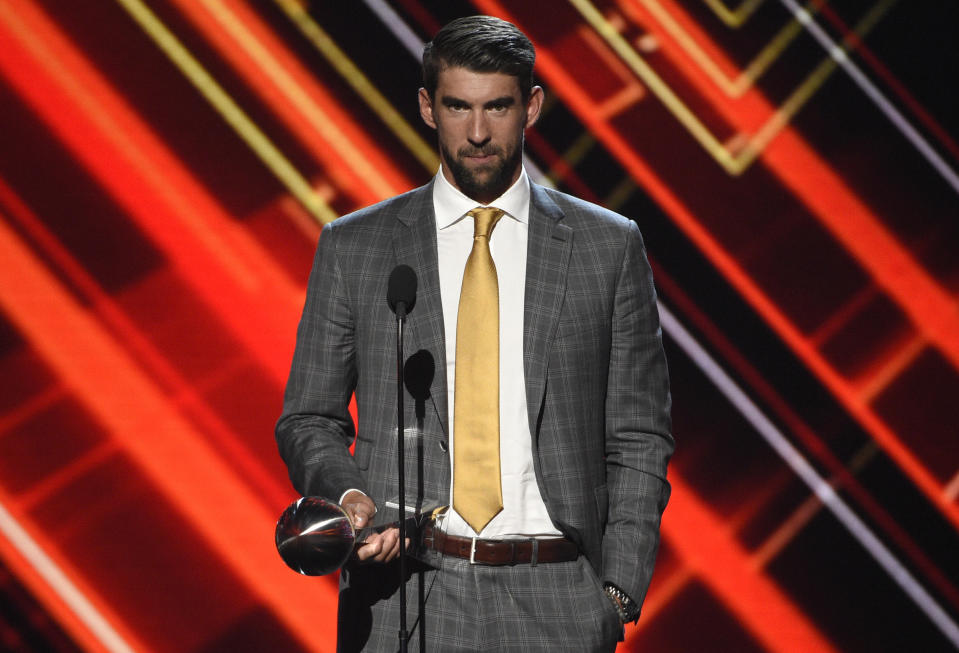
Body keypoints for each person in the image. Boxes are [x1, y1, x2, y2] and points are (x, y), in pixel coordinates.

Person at [276, 15, 673, 652]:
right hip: (406, 593)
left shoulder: (607, 245)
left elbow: (638, 431)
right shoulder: (356, 247)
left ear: (532, 107)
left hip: (560, 595)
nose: (479, 132)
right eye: (459, 106)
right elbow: (309, 418)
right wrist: (350, 493)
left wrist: (617, 591)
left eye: (498, 108)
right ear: (428, 107)